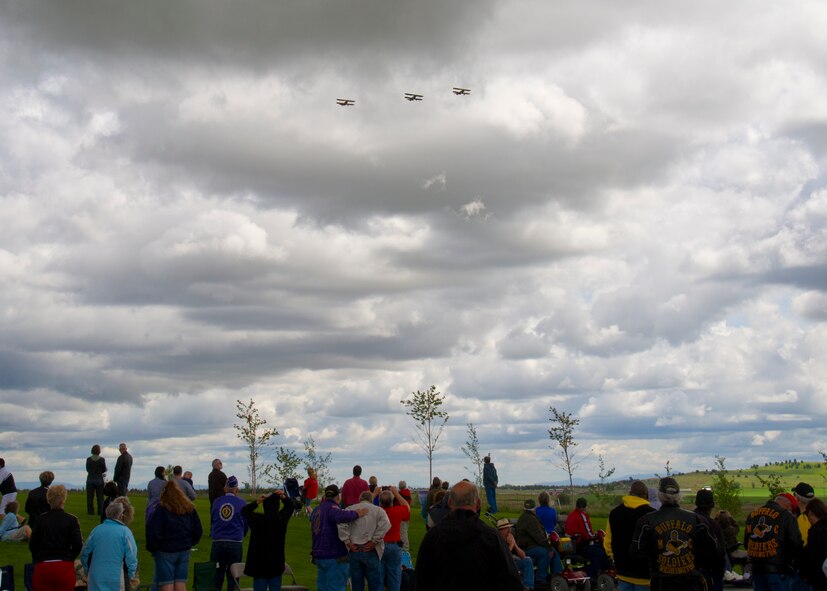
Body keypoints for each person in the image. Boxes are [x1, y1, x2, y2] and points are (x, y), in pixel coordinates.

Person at [415, 480, 522, 591]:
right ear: (478, 504)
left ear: (450, 503)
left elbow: (421, 581)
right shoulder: (491, 538)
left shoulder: (433, 537)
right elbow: (511, 582)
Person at [631, 477, 720, 591]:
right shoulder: (698, 520)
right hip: (691, 582)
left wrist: (655, 565)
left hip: (661, 583)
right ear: (679, 496)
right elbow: (715, 549)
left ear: (659, 495)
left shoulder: (646, 521)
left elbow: (636, 553)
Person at [310, 484, 369, 591]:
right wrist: (357, 513)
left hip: (319, 554)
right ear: (338, 497)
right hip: (333, 554)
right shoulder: (332, 508)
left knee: (323, 587)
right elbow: (341, 515)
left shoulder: (317, 510)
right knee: (335, 587)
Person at [242, 489, 302, 591]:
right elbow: (290, 506)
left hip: (259, 564)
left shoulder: (257, 519)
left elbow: (245, 510)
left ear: (265, 506)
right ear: (277, 506)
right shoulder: (281, 519)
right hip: (276, 563)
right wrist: (283, 497)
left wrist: (258, 501)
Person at [147, 481, 202, 591]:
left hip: (165, 550)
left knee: (167, 584)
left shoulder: (161, 509)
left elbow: (154, 531)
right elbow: (198, 530)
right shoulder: (189, 509)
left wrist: (153, 548)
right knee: (180, 582)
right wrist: (190, 543)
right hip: (184, 549)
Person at [744, 492, 803, 591]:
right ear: (789, 505)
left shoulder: (752, 515)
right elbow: (795, 544)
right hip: (779, 571)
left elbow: (747, 543)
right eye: (792, 510)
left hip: (757, 569)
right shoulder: (787, 516)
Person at [29, 484, 84, 591]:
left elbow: (33, 544)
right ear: (64, 499)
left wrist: (39, 558)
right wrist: (69, 557)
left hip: (43, 567)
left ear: (48, 499)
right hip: (64, 566)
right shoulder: (71, 520)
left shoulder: (41, 519)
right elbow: (78, 544)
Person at [605, 480, 656, 591]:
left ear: (630, 493)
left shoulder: (614, 513)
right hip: (645, 575)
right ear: (646, 496)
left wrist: (615, 558)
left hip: (622, 572)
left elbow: (608, 542)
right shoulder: (652, 515)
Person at [81, 498, 139, 591]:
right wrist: (132, 575)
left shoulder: (96, 530)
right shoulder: (125, 531)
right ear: (120, 516)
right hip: (116, 579)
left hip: (95, 577)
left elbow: (85, 553)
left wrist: (87, 570)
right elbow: (131, 556)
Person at [338, 490, 391, 591]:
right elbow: (386, 525)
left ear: (360, 499)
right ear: (371, 500)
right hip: (371, 550)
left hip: (355, 550)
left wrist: (348, 542)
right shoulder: (378, 510)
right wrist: (375, 541)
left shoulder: (350, 509)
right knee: (375, 583)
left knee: (357, 583)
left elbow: (341, 524)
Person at [210, 475, 249, 591]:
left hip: (218, 543)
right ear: (236, 489)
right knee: (233, 576)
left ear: (225, 489)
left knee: (217, 575)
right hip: (235, 543)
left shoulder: (217, 502)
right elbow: (246, 524)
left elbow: (213, 519)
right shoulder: (242, 503)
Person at [514, 499, 561, 588]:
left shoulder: (525, 517)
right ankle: (541, 580)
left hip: (530, 546)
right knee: (546, 553)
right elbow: (539, 537)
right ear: (534, 508)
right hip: (527, 548)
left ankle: (556, 576)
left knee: (552, 551)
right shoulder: (530, 519)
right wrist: (548, 547)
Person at [565, 497, 609, 580]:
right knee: (600, 551)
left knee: (599, 549)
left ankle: (598, 572)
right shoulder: (581, 515)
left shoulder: (571, 515)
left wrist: (592, 535)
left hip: (572, 545)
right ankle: (592, 575)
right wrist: (595, 536)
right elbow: (587, 535)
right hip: (580, 546)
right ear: (584, 507)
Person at [693, 489, 727, 591]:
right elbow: (720, 552)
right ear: (712, 505)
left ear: (696, 503)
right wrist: (720, 572)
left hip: (689, 572)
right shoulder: (713, 525)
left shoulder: (687, 520)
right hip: (709, 573)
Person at [379, 486, 411, 591]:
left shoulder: (377, 513)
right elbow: (407, 507)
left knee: (378, 577)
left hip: (379, 547)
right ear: (392, 501)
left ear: (380, 502)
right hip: (394, 546)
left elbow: (366, 504)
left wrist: (374, 493)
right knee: (395, 577)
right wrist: (396, 493)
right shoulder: (397, 511)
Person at [497, 518, 535, 591]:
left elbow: (523, 556)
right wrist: (511, 545)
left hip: (512, 562)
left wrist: (515, 545)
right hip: (504, 565)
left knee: (528, 560)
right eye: (506, 528)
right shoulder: (497, 540)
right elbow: (503, 557)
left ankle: (528, 587)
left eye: (509, 527)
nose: (509, 530)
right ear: (500, 531)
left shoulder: (509, 538)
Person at [801, 498, 827, 591]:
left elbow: (812, 556)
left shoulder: (816, 531)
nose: (808, 520)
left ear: (811, 513)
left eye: (808, 516)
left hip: (820, 576)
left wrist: (804, 574)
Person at [86, 444, 107, 515]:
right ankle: (100, 511)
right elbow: (104, 469)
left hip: (90, 479)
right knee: (100, 497)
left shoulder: (88, 459)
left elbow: (87, 469)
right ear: (99, 451)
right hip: (99, 479)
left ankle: (90, 512)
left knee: (90, 497)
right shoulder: (102, 459)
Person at [397, 480, 412, 550]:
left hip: (401, 516)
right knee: (404, 532)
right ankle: (403, 547)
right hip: (407, 515)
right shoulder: (408, 493)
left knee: (403, 534)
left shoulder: (399, 494)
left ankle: (405, 548)